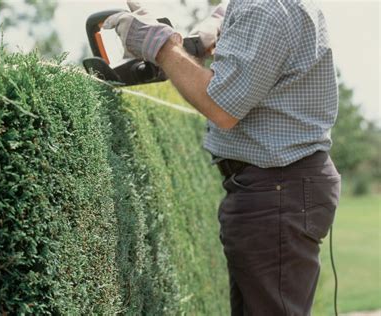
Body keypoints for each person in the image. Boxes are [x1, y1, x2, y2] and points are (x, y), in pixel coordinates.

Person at [104, 0, 342, 315]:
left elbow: (221, 107)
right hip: (280, 186)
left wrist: (161, 47)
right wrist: (211, 31)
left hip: (277, 189)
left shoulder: (266, 8)